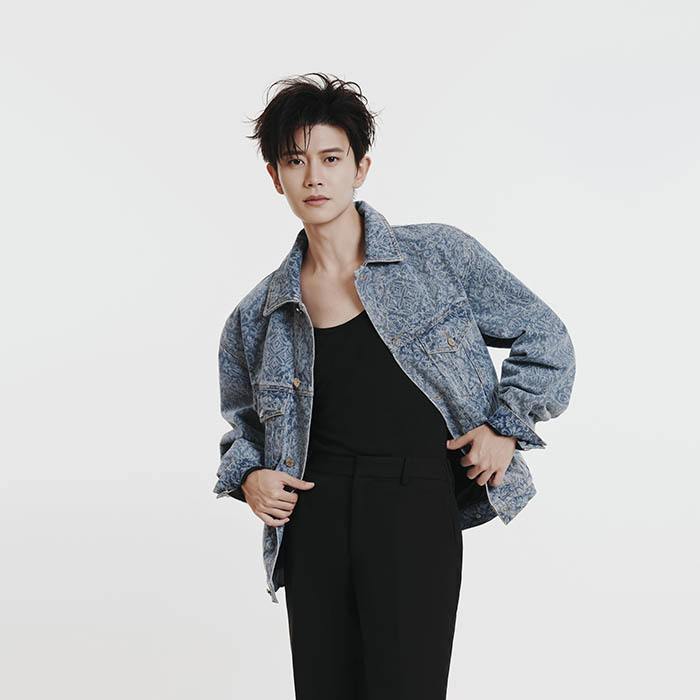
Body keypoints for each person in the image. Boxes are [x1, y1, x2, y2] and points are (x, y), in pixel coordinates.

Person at [213, 72, 576, 700]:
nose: (314, 177)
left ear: (361, 167)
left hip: (414, 505)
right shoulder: (258, 314)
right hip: (314, 515)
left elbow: (546, 339)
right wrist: (249, 477)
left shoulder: (438, 256)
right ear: (276, 177)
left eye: (331, 158)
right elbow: (242, 428)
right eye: (295, 162)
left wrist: (506, 428)